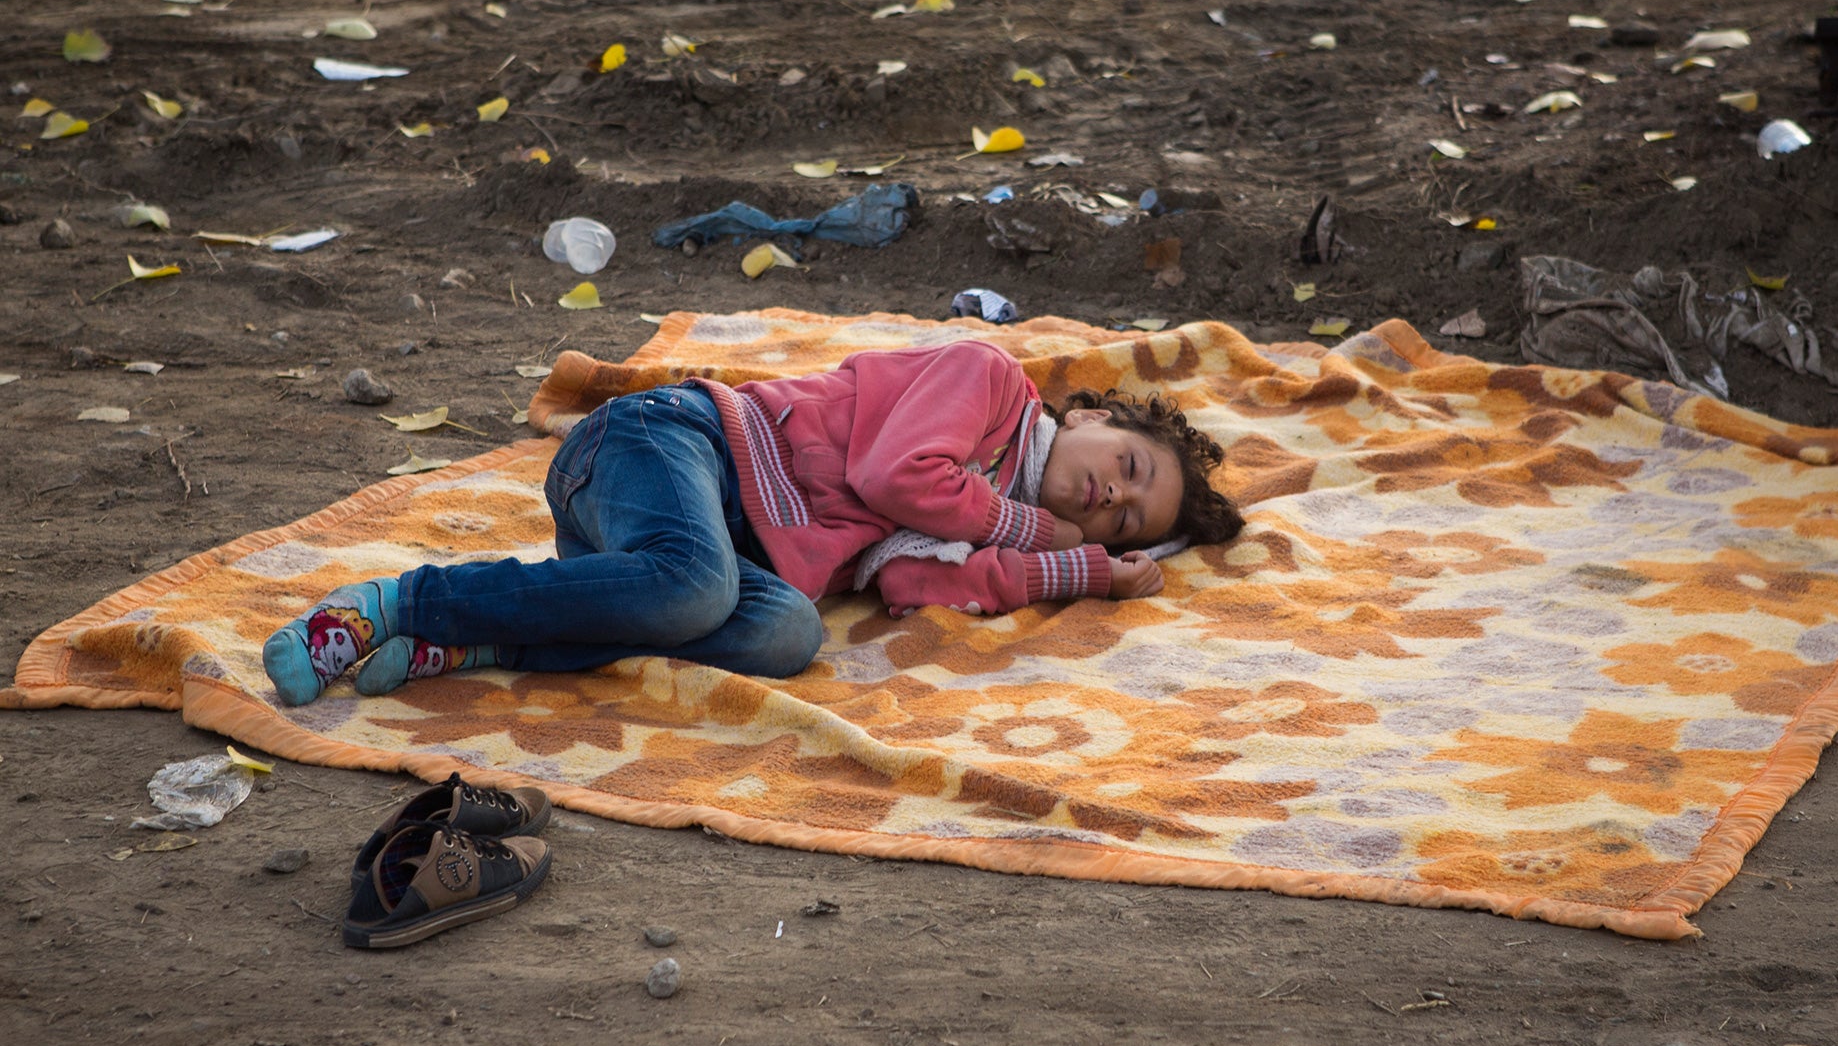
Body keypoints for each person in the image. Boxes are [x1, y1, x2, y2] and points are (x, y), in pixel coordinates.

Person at [262, 339, 1243, 704]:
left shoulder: (991, 523)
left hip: (689, 552)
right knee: (698, 584)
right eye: (1125, 468)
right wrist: (1039, 538)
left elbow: (912, 583)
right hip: (665, 445)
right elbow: (895, 472)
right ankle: (398, 603)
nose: (1106, 499)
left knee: (789, 634)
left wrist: (1079, 575)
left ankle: (467, 648)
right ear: (1091, 414)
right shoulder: (989, 385)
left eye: (1122, 519)